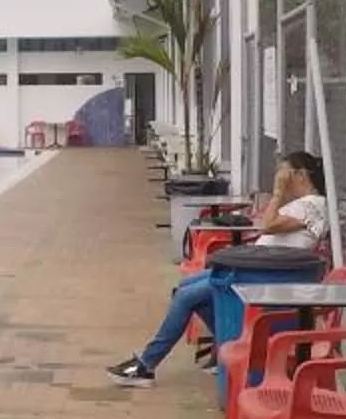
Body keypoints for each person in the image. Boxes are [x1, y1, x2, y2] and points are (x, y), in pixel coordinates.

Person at [108, 149, 329, 385]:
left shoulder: (313, 205)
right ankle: (225, 344)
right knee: (186, 290)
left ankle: (146, 365)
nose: (279, 177)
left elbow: (269, 225)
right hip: (260, 270)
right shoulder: (304, 205)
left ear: (300, 175)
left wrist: (277, 193)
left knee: (185, 297)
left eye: (283, 172)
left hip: (264, 276)